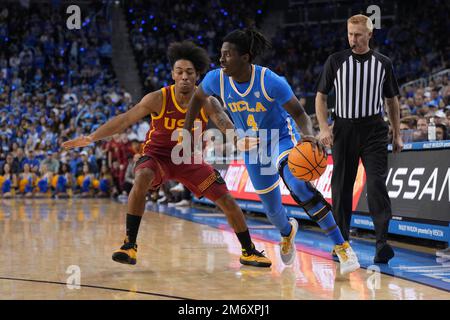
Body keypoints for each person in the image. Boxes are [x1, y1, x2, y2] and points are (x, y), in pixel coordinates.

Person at [62, 41, 271, 268]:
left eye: (189, 72)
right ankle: (129, 245)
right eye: (179, 72)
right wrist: (93, 137)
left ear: (197, 76)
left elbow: (224, 122)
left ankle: (248, 251)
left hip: (188, 160)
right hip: (157, 157)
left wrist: (238, 138)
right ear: (172, 74)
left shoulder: (207, 101)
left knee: (227, 200)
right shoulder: (158, 98)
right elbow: (124, 119)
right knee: (142, 178)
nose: (184, 77)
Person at [183, 28, 359, 274]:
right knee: (273, 212)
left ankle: (342, 245)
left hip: (280, 138)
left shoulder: (271, 81)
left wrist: (308, 134)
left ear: (245, 57)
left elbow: (298, 112)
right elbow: (197, 98)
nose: (221, 59)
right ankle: (288, 232)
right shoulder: (216, 79)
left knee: (298, 186)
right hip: (251, 147)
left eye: (227, 54)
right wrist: (187, 128)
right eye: (221, 54)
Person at [315, 14, 403, 264]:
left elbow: (392, 101)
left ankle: (382, 244)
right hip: (344, 129)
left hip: (374, 129)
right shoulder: (336, 61)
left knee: (376, 184)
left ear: (369, 34)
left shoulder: (383, 63)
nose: (353, 39)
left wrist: (397, 134)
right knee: (341, 187)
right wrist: (324, 128)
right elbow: (321, 96)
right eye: (350, 34)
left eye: (358, 34)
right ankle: (341, 243)